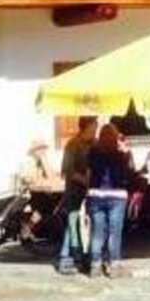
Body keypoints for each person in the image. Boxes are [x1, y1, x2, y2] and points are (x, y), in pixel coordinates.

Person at [84, 123, 134, 278]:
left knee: (97, 231)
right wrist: (127, 153)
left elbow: (88, 174)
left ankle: (95, 266)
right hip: (116, 195)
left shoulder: (92, 152)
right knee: (114, 231)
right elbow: (130, 173)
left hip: (96, 194)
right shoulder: (121, 155)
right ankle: (114, 266)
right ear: (115, 138)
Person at [55, 117, 98, 275]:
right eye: (94, 127)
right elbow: (68, 170)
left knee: (92, 222)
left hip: (92, 190)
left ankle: (86, 256)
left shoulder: (95, 144)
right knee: (72, 222)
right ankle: (66, 258)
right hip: (74, 189)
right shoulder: (72, 145)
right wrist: (85, 180)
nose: (95, 130)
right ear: (85, 128)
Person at [13, 138, 63, 243]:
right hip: (29, 196)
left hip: (43, 194)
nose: (43, 151)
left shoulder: (43, 162)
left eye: (44, 149)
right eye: (40, 149)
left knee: (54, 203)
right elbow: (29, 182)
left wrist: (45, 162)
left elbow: (52, 177)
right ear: (34, 151)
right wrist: (44, 185)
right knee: (43, 207)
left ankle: (32, 229)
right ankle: (27, 229)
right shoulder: (28, 163)